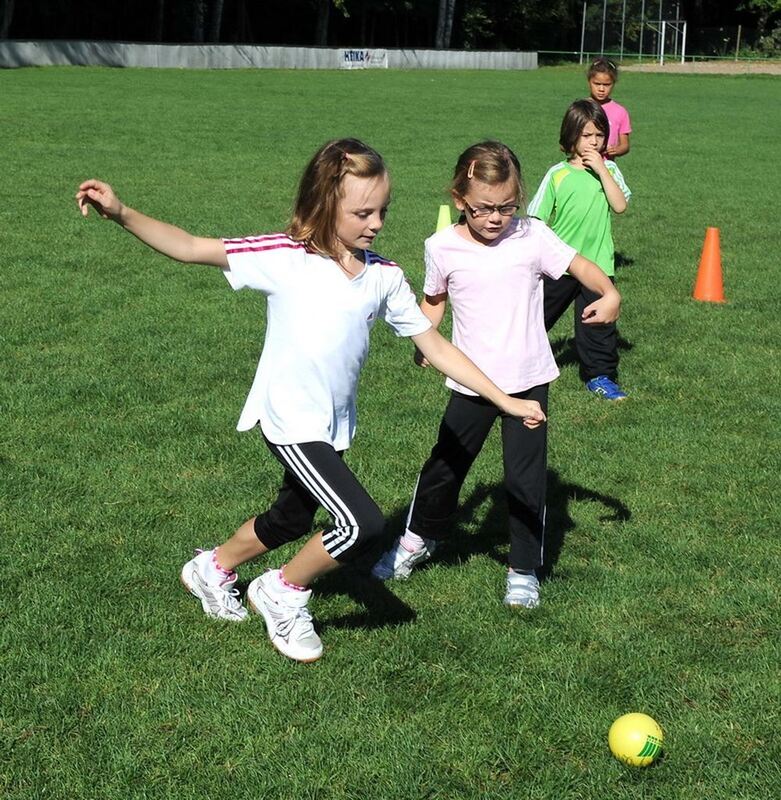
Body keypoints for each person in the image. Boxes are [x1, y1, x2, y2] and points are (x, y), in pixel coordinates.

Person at [76, 138, 546, 663]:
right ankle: (282, 591)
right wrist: (121, 212)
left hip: (331, 425)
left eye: (382, 211)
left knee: (290, 519)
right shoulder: (285, 257)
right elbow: (190, 246)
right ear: (325, 204)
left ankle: (211, 569)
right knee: (362, 525)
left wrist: (503, 398)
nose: (377, 223)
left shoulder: (384, 276)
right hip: (290, 421)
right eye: (362, 212)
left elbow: (434, 344)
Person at [371, 141, 621, 608]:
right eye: (484, 208)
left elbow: (581, 265)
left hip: (528, 381)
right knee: (444, 467)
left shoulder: (532, 236)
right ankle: (416, 540)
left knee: (525, 479)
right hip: (470, 381)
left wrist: (609, 293)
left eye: (506, 206)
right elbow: (434, 297)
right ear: (460, 200)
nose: (495, 218)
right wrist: (424, 340)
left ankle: (523, 569)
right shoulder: (441, 246)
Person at [529, 99, 632, 401]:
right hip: (559, 265)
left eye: (599, 135)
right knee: (533, 317)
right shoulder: (557, 174)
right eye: (587, 136)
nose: (594, 142)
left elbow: (620, 205)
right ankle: (513, 360)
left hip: (598, 266)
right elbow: (536, 219)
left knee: (598, 325)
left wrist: (602, 169)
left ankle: (600, 376)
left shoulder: (609, 169)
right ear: (571, 136)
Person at [587, 57, 632, 159]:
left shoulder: (620, 112)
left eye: (606, 85)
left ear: (613, 84)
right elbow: (564, 144)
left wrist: (617, 150)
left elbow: (625, 145)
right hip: (581, 168)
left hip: (606, 168)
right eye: (597, 84)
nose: (601, 89)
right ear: (589, 81)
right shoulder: (580, 108)